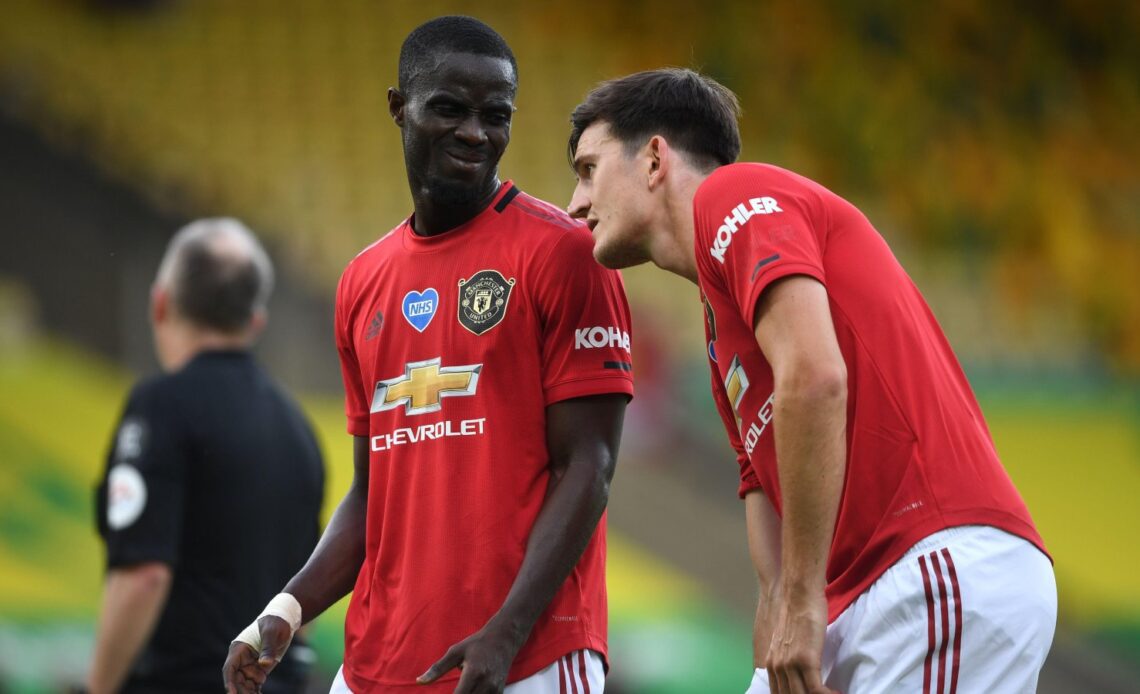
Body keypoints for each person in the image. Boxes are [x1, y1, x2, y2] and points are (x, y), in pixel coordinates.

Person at [565, 68, 1056, 694]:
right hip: (863, 594)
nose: (576, 202)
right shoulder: (720, 326)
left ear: (655, 158)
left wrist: (798, 599)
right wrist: (774, 606)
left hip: (929, 563)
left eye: (587, 169)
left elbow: (817, 376)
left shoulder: (733, 195)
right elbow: (760, 483)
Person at [223, 16, 633, 694]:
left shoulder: (564, 256)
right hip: (377, 665)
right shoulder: (363, 280)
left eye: (495, 115)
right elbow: (372, 490)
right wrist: (287, 609)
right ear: (398, 108)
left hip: (520, 661)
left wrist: (505, 631)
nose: (475, 132)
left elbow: (590, 464)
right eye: (450, 108)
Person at [88, 218, 325, 693]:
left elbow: (144, 575)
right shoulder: (299, 429)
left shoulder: (159, 408)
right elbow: (305, 606)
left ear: (160, 304)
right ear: (254, 321)